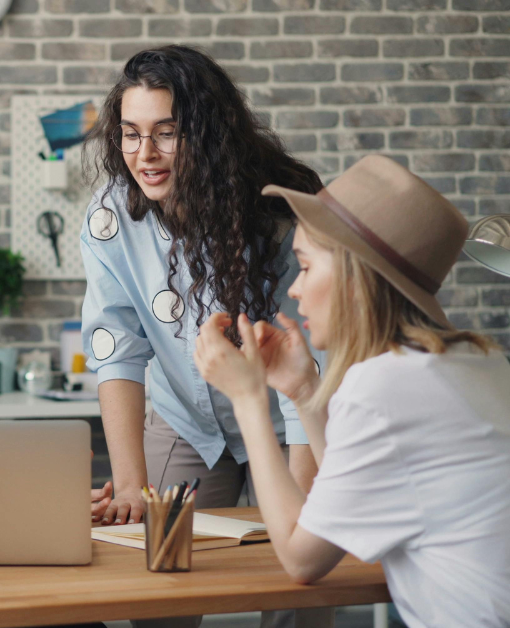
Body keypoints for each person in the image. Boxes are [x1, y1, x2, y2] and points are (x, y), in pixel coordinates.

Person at [195, 155, 510, 627]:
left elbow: (304, 560)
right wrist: (303, 390)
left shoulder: (384, 385)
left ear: (355, 278)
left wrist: (248, 399)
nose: (295, 290)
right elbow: (355, 487)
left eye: (305, 267)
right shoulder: (481, 360)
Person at [79, 45, 332, 628]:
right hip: (184, 420)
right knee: (161, 587)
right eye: (131, 134)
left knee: (298, 587)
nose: (145, 155)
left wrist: (296, 521)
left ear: (208, 134)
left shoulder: (279, 213)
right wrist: (130, 484)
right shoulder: (111, 215)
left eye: (166, 134)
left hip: (286, 410)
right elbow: (115, 344)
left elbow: (310, 361)